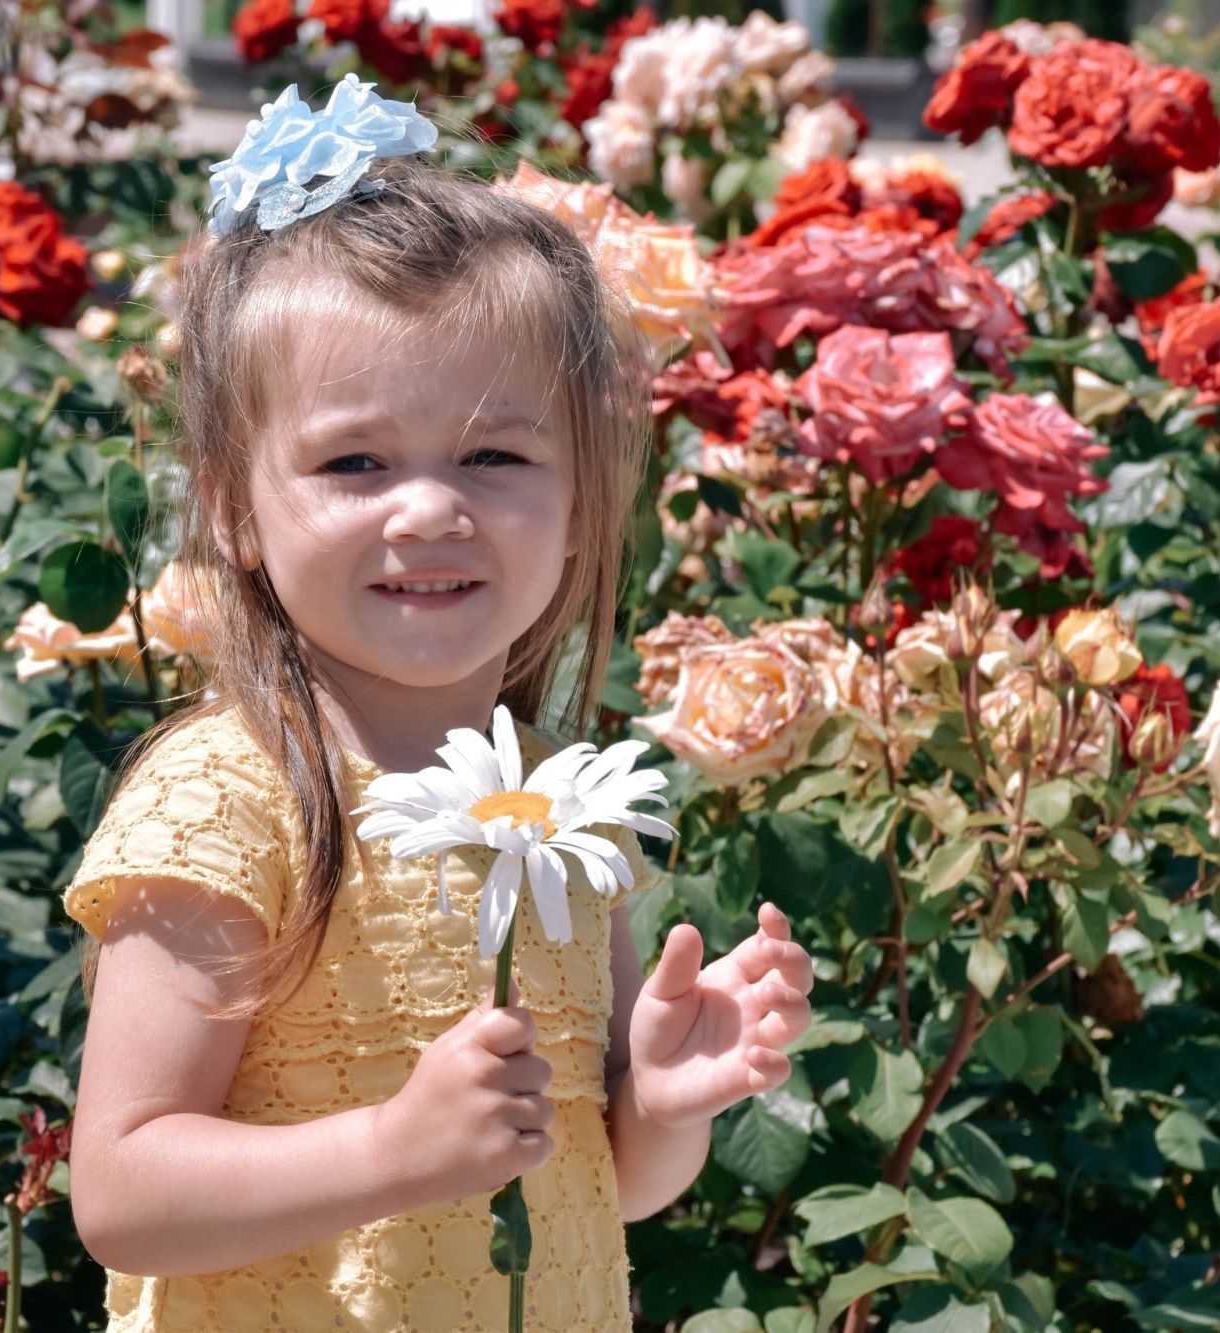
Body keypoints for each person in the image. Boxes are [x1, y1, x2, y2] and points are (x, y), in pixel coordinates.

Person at [61, 75, 816, 1331]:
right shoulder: (229, 794)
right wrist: (393, 1148)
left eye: (494, 456)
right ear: (235, 506)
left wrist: (668, 1105)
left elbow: (596, 1180)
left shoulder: (565, 809)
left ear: (580, 500)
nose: (429, 508)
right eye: (354, 461)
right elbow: (122, 1188)